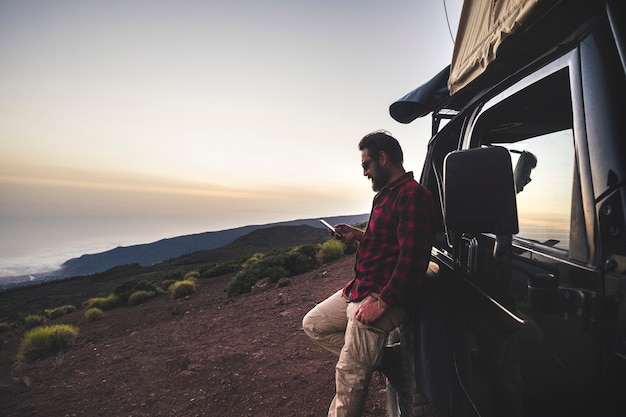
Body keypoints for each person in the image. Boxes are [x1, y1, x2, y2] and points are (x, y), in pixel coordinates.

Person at [302, 130, 434, 417]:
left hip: (385, 293)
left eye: (366, 165)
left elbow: (413, 259)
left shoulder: (413, 196)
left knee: (349, 375)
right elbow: (388, 241)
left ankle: (364, 362)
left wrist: (383, 302)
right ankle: (388, 362)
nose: (364, 173)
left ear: (383, 159)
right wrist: (357, 235)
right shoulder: (386, 196)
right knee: (313, 324)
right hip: (361, 286)